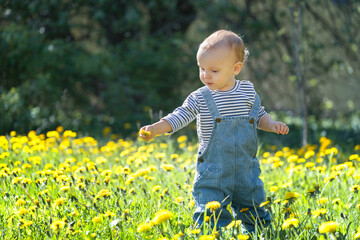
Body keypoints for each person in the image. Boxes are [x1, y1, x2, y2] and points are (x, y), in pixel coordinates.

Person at [139, 29, 289, 235]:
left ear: (236, 68)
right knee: (210, 213)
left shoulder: (247, 92)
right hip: (213, 172)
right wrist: (156, 128)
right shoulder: (200, 97)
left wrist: (272, 125)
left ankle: (262, 235)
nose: (205, 75)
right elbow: (180, 115)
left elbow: (258, 115)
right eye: (201, 69)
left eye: (214, 71)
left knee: (255, 210)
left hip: (247, 170)